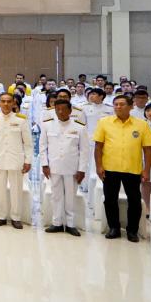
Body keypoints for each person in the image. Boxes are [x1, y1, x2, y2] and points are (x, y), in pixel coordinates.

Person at [93, 94, 151, 241]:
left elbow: (148, 149)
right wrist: (99, 166)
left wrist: (146, 170)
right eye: (116, 104)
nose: (118, 107)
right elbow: (98, 146)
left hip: (132, 169)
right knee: (110, 199)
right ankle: (114, 228)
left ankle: (132, 230)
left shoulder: (142, 125)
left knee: (134, 200)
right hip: (110, 168)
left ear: (131, 106)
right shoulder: (104, 122)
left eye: (122, 104)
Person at [0, 92, 34, 229]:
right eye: (3, 101)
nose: (6, 104)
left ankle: (16, 217)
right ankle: (1, 216)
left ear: (13, 103)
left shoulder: (21, 120)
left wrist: (28, 160)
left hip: (16, 159)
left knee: (16, 190)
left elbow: (28, 143)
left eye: (8, 101)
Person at [40, 98, 87, 236]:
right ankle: (57, 223)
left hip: (72, 168)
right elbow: (42, 147)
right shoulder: (47, 125)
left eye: (63, 109)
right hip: (54, 166)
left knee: (70, 197)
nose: (60, 112)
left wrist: (82, 170)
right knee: (56, 196)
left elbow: (84, 150)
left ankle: (71, 224)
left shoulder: (79, 127)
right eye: (57, 110)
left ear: (70, 111)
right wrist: (44, 164)